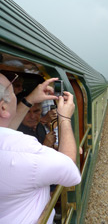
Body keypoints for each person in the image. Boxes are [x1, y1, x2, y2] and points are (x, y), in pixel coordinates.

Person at [0, 72, 81, 224]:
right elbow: (70, 169)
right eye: (13, 93)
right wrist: (64, 118)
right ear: (3, 107)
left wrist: (29, 99)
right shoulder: (25, 148)